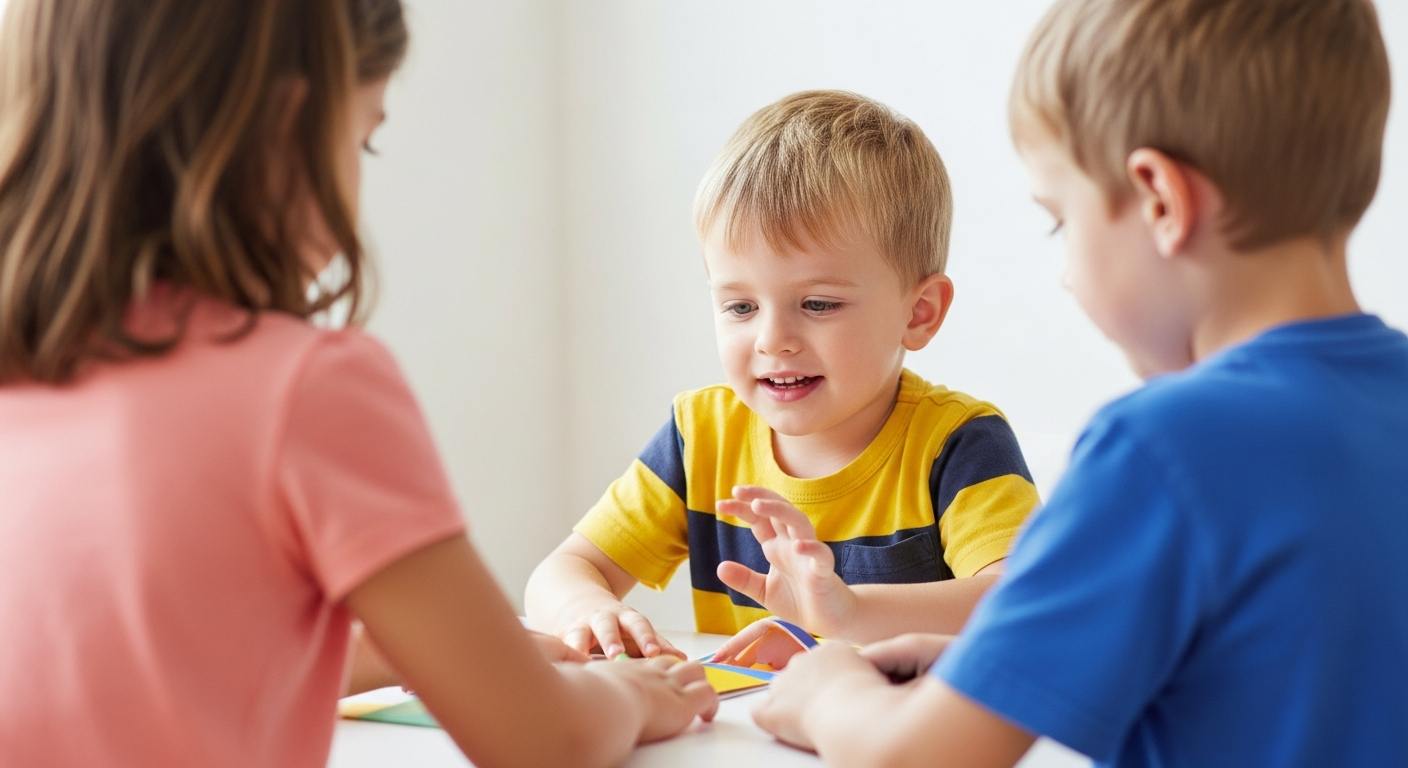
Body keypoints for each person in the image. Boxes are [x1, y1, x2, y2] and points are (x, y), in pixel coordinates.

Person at [0, 1, 716, 767]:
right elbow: (547, 738)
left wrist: (447, 652)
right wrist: (639, 695)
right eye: (364, 138)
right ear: (286, 127)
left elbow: (179, 651)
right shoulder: (305, 387)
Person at [749, 1, 1408, 766]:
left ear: (1160, 200)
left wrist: (829, 693)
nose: (1065, 274)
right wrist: (1006, 670)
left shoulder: (1161, 449)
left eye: (1061, 220)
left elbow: (917, 756)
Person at [526, 90, 1041, 660]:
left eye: (818, 304)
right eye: (740, 307)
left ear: (918, 313)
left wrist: (848, 613)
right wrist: (584, 609)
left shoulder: (960, 443)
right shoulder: (701, 434)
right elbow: (566, 570)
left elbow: (1025, 604)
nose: (772, 340)